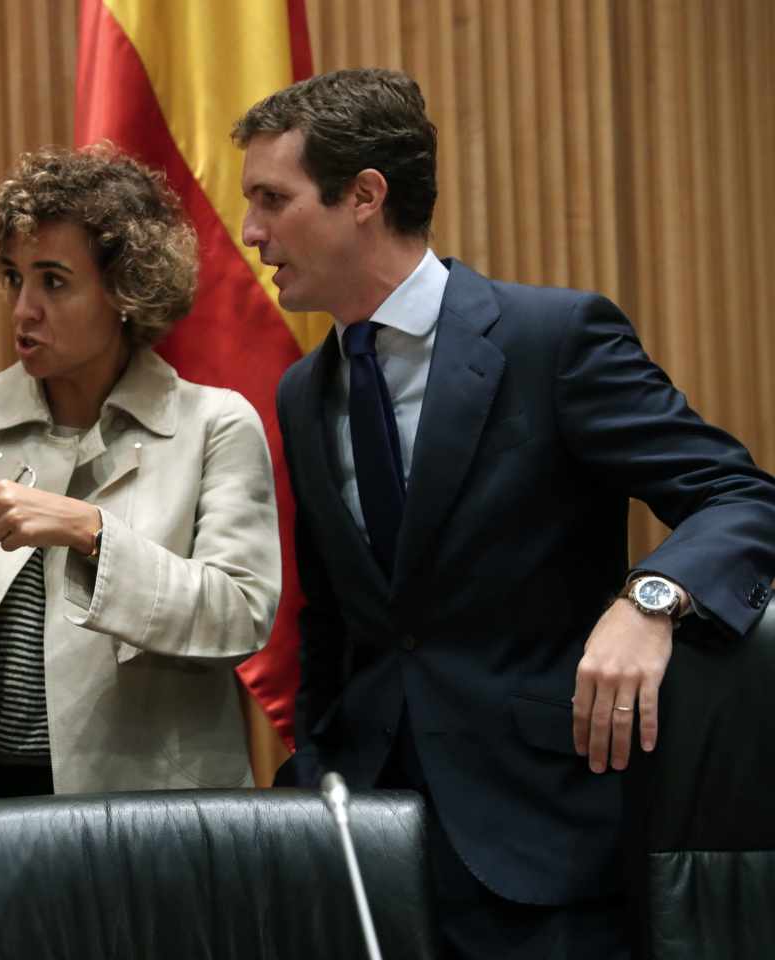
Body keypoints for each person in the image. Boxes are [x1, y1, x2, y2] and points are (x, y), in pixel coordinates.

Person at [234, 68, 775, 959]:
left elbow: (739, 494)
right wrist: (315, 779)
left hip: (541, 846)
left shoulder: (550, 341)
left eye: (271, 199)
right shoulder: (302, 390)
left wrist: (652, 597)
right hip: (362, 847)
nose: (251, 231)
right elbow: (336, 620)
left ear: (364, 196)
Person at [0, 145, 282, 913]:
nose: (23, 310)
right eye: (15, 278)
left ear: (125, 291)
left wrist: (93, 533)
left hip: (163, 838)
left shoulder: (214, 425)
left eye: (53, 281)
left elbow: (238, 613)